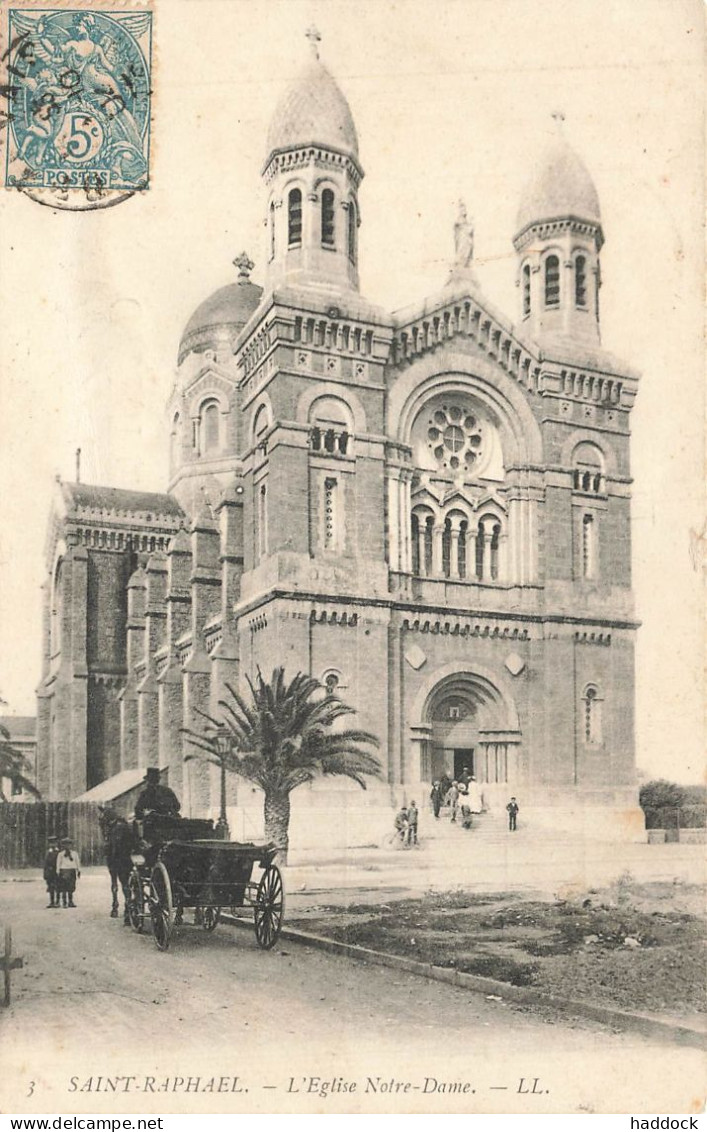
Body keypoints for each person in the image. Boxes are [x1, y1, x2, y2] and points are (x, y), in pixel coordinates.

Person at [55, 837, 81, 907]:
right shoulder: (61, 854)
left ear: (71, 845)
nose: (67, 846)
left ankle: (70, 901)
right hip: (64, 871)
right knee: (64, 887)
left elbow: (77, 862)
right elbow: (58, 863)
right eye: (65, 844)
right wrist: (58, 871)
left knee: (71, 887)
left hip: (72, 870)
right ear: (63, 846)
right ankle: (64, 902)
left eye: (69, 844)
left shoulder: (74, 853)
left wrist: (78, 870)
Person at [43, 835, 60, 908]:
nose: (52, 844)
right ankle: (52, 902)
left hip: (57, 871)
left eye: (54, 843)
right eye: (51, 843)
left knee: (58, 887)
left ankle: (57, 902)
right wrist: (45, 873)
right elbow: (45, 864)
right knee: (50, 887)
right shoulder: (48, 852)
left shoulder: (59, 852)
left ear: (56, 843)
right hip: (50, 872)